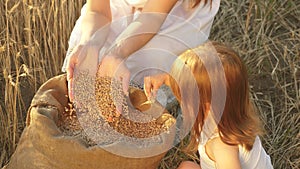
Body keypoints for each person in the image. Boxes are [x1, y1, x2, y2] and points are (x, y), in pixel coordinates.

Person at [62, 0, 220, 102]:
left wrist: (117, 54)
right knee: (92, 55)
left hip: (175, 9)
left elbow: (152, 17)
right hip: (124, 4)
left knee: (146, 62)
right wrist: (91, 43)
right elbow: (98, 11)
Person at [162, 42, 273, 169]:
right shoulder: (230, 110)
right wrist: (166, 79)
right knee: (186, 166)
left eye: (183, 98)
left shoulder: (223, 147)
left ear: (204, 103)